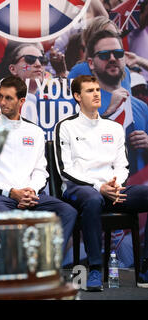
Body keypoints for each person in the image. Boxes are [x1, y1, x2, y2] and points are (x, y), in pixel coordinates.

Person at [54, 75, 148, 291]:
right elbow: (64, 170)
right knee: (93, 198)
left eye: (97, 89)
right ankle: (95, 268)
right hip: (79, 190)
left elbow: (122, 165)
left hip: (113, 189)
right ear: (77, 96)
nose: (96, 93)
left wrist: (115, 185)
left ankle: (145, 267)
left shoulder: (113, 128)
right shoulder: (66, 126)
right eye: (89, 91)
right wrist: (100, 187)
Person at [0, 75, 77, 254]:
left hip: (32, 195)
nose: (2, 102)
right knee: (5, 219)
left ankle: (46, 265)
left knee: (68, 212)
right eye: (0, 96)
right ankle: (15, 270)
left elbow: (40, 170)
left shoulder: (34, 131)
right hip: (0, 197)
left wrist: (31, 192)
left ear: (21, 101)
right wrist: (11, 193)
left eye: (8, 98)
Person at [86, 30, 148, 175]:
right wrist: (109, 113)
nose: (112, 59)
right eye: (104, 55)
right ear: (91, 63)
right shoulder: (81, 104)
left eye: (118, 54)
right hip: (103, 190)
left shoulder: (141, 107)